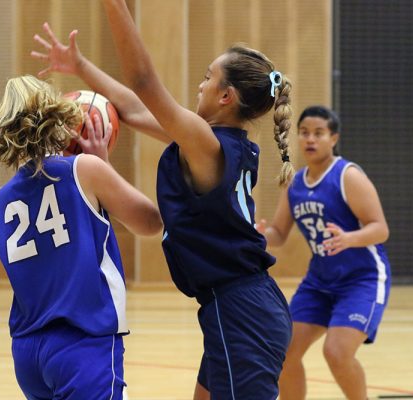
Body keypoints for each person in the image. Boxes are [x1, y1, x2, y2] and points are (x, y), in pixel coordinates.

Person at [30, 0, 294, 397]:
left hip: (243, 314)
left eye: (208, 78)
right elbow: (134, 110)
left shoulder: (207, 144)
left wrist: (114, 6)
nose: (200, 85)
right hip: (235, 307)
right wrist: (81, 66)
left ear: (226, 97)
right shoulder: (210, 143)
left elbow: (143, 84)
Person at [0, 75, 162, 399]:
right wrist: (104, 168)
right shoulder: (84, 170)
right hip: (81, 344)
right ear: (59, 119)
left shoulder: (4, 199)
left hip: (28, 354)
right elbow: (150, 222)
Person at [256, 105, 391, 400]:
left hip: (362, 279)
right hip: (319, 282)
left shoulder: (347, 176)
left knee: (337, 353)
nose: (310, 140)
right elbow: (279, 233)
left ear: (333, 138)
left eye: (318, 133)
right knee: (284, 351)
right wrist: (260, 236)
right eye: (304, 133)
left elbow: (380, 229)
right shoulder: (295, 183)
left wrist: (349, 238)